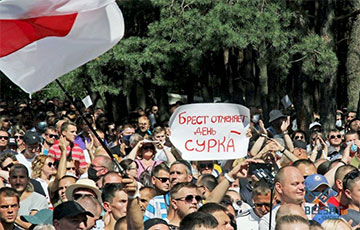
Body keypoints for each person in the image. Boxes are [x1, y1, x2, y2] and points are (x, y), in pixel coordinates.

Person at [259, 166, 305, 230]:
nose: (302, 187)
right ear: (279, 187)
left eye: (303, 183)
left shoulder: (315, 209)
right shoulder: (269, 221)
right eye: (295, 184)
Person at [8, 164, 48, 229]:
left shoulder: (39, 199)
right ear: (9, 180)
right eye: (14, 177)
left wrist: (7, 215)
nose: (18, 181)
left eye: (22, 177)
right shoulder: (3, 200)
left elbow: (34, 226)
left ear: (28, 179)